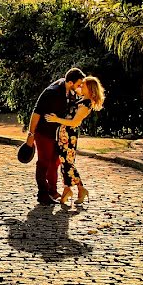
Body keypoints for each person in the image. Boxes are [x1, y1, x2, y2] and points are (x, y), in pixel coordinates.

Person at [24, 68, 87, 205]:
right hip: (43, 132)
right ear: (70, 82)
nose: (80, 87)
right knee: (43, 163)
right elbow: (36, 112)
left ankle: (52, 191)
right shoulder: (52, 92)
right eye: (78, 84)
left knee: (55, 163)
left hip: (58, 134)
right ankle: (43, 193)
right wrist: (31, 134)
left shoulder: (71, 91)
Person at [44, 75, 105, 205]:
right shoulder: (83, 98)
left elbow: (74, 122)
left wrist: (56, 120)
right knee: (64, 162)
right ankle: (69, 189)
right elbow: (72, 86)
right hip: (63, 133)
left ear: (90, 88)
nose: (80, 87)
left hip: (69, 134)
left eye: (83, 85)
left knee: (68, 163)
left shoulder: (86, 104)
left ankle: (80, 189)